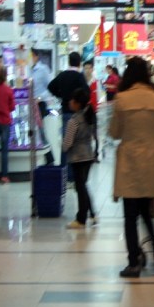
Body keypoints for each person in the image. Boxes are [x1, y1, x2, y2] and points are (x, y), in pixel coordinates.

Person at [109, 57, 154, 278]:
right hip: (152, 162)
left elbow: (114, 132)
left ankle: (133, 262)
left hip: (130, 163)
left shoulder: (122, 99)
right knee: (146, 212)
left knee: (130, 216)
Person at [48, 52, 90, 179]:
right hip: (77, 114)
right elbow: (87, 92)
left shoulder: (62, 75)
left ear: (69, 61)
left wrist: (61, 96)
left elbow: (50, 86)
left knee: (66, 142)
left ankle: (63, 173)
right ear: (79, 63)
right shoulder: (79, 77)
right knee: (76, 143)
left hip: (65, 111)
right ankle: (72, 176)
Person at [63, 88, 96, 229]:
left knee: (80, 187)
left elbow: (68, 142)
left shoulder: (74, 121)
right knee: (83, 186)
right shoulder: (89, 117)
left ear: (77, 103)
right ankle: (92, 213)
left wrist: (63, 148)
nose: (70, 102)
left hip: (77, 157)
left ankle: (81, 219)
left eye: (72, 100)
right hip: (88, 155)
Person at [30, 48, 55, 166]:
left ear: (35, 56)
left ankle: (49, 157)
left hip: (39, 104)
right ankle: (37, 158)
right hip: (28, 104)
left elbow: (50, 88)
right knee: (32, 132)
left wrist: (40, 97)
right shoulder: (26, 69)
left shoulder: (43, 69)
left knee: (40, 131)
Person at [82, 59, 100, 163]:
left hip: (92, 111)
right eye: (85, 68)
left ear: (92, 69)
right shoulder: (81, 81)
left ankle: (95, 154)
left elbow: (98, 97)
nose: (87, 70)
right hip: (82, 111)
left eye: (89, 68)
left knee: (94, 133)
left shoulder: (95, 82)